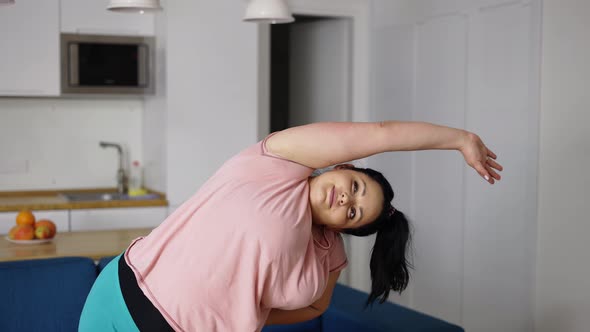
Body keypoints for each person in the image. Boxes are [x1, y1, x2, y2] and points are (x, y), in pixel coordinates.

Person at [78, 121, 503, 332]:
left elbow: (316, 307)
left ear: (343, 229)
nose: (345, 199)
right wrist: (459, 139)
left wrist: (242, 307)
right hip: (126, 301)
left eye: (353, 211)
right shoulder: (276, 166)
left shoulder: (327, 256)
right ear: (343, 166)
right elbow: (380, 134)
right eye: (354, 186)